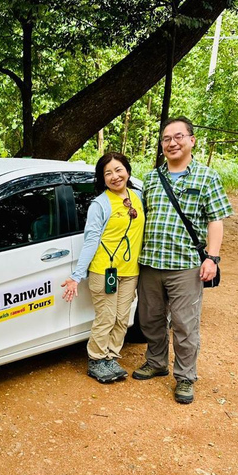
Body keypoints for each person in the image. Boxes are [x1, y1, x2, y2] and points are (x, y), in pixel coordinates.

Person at [134, 116, 233, 404]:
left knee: (184, 324)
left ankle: (186, 377)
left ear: (191, 140)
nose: (172, 143)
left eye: (178, 137)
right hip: (150, 262)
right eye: (166, 139)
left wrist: (212, 258)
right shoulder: (152, 178)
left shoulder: (207, 177)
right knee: (149, 319)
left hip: (186, 265)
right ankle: (156, 362)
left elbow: (216, 220)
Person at [61, 152, 145, 384]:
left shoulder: (139, 197)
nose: (115, 176)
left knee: (121, 317)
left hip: (130, 272)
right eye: (108, 173)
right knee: (106, 317)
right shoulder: (100, 204)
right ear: (102, 179)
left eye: (119, 170)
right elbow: (91, 240)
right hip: (104, 271)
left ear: (127, 171)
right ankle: (97, 359)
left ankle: (111, 356)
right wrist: (77, 276)